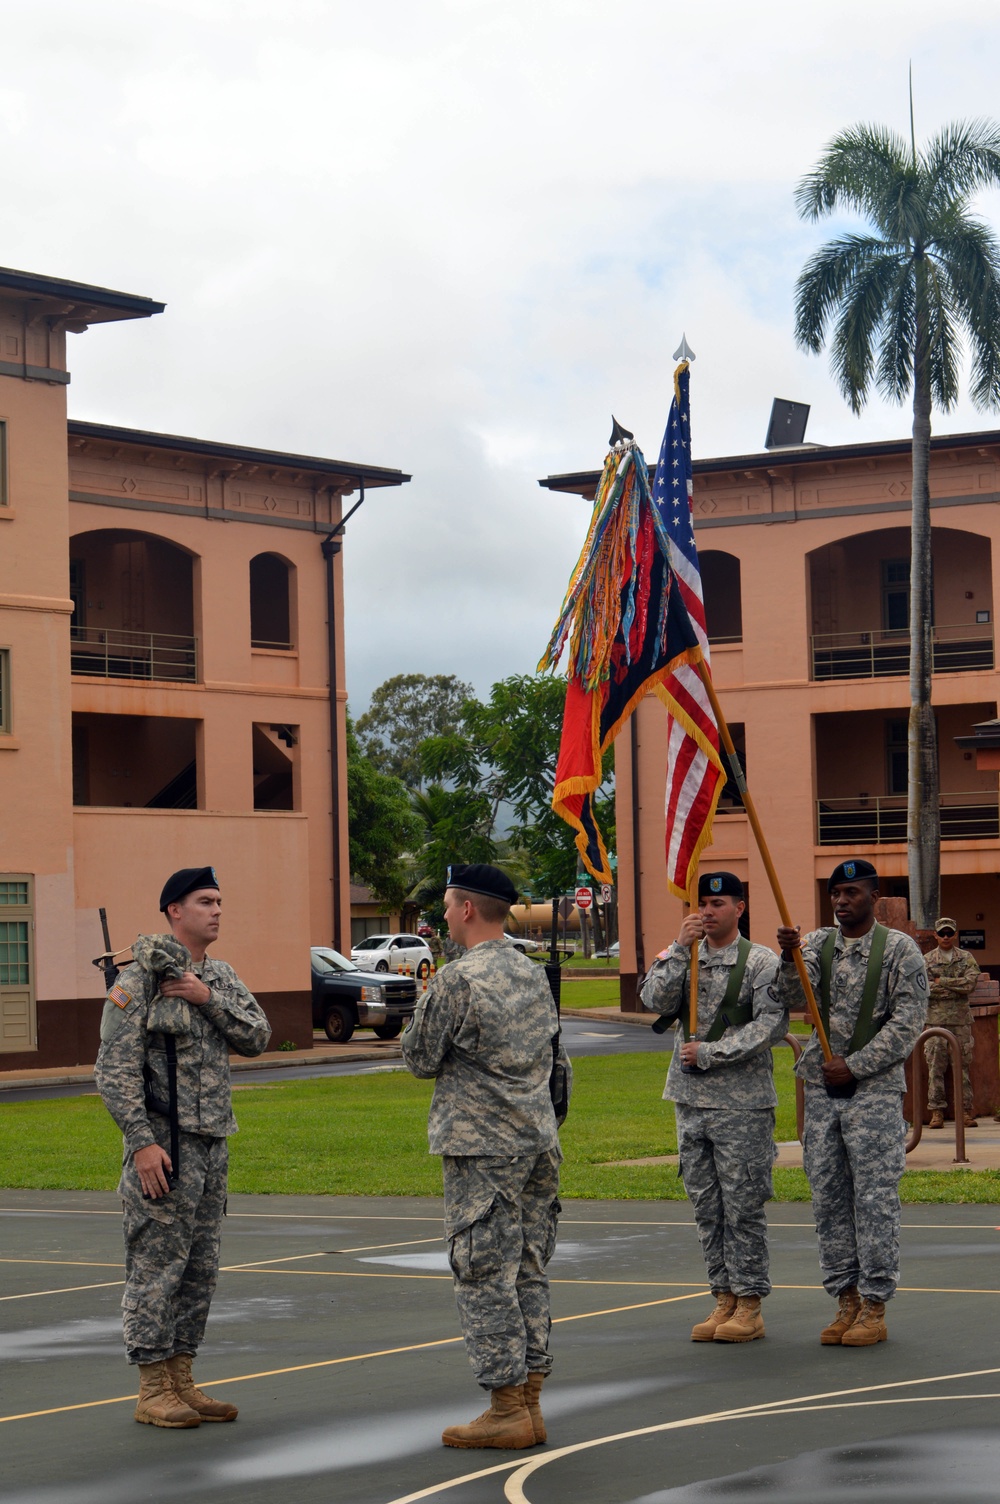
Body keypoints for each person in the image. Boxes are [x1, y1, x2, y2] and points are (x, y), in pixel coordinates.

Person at [94, 867, 272, 1428]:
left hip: (212, 1145)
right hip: (164, 1146)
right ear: (174, 910)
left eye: (220, 901)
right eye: (204, 901)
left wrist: (206, 998)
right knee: (156, 1266)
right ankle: (151, 1389)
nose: (217, 910)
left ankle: (181, 1378)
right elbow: (113, 1069)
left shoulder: (218, 975)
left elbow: (257, 1036)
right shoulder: (140, 978)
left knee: (199, 1268)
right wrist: (141, 1143)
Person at [401, 863, 568, 1451]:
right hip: (537, 1140)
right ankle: (529, 1401)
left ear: (468, 909)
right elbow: (558, 1064)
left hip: (482, 1146)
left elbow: (419, 1057)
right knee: (526, 1267)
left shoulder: (457, 978)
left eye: (448, 904)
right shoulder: (532, 973)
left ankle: (505, 1405)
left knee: (481, 1271)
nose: (445, 915)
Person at [776, 859, 927, 1347]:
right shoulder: (816, 945)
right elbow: (785, 996)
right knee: (829, 1199)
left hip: (874, 1094)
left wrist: (856, 1065)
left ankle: (876, 1305)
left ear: (873, 896)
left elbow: (907, 1024)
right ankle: (846, 1299)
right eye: (836, 893)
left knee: (875, 1200)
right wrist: (787, 957)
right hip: (822, 1091)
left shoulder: (900, 951)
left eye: (851, 893)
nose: (841, 901)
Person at [640, 872, 785, 1343]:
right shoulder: (686, 955)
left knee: (742, 1205)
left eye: (718, 903)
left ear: (740, 908)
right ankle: (722, 1296)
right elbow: (652, 998)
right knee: (706, 1206)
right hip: (690, 1101)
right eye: (702, 903)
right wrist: (679, 949)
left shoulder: (761, 962)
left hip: (741, 1103)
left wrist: (710, 1053)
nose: (707, 911)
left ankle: (750, 1303)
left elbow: (771, 1025)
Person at [924, 917, 980, 1129]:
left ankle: (965, 1112)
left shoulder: (966, 957)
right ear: (936, 935)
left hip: (960, 1022)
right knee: (935, 1068)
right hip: (935, 1021)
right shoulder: (927, 959)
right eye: (942, 933)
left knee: (962, 1067)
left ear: (955, 934)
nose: (946, 937)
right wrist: (953, 989)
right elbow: (925, 988)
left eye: (949, 933)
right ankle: (936, 1112)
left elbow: (970, 984)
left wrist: (942, 982)